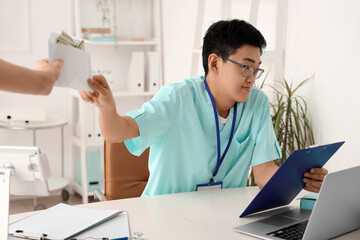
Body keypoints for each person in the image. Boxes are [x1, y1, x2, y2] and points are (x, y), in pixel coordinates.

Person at [79, 19, 328, 196]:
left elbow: (263, 171)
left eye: (256, 69)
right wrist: (107, 109)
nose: (252, 77)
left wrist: (299, 179)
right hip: (164, 216)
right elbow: (118, 132)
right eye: (245, 66)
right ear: (215, 63)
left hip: (223, 220)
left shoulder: (257, 103)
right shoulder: (177, 97)